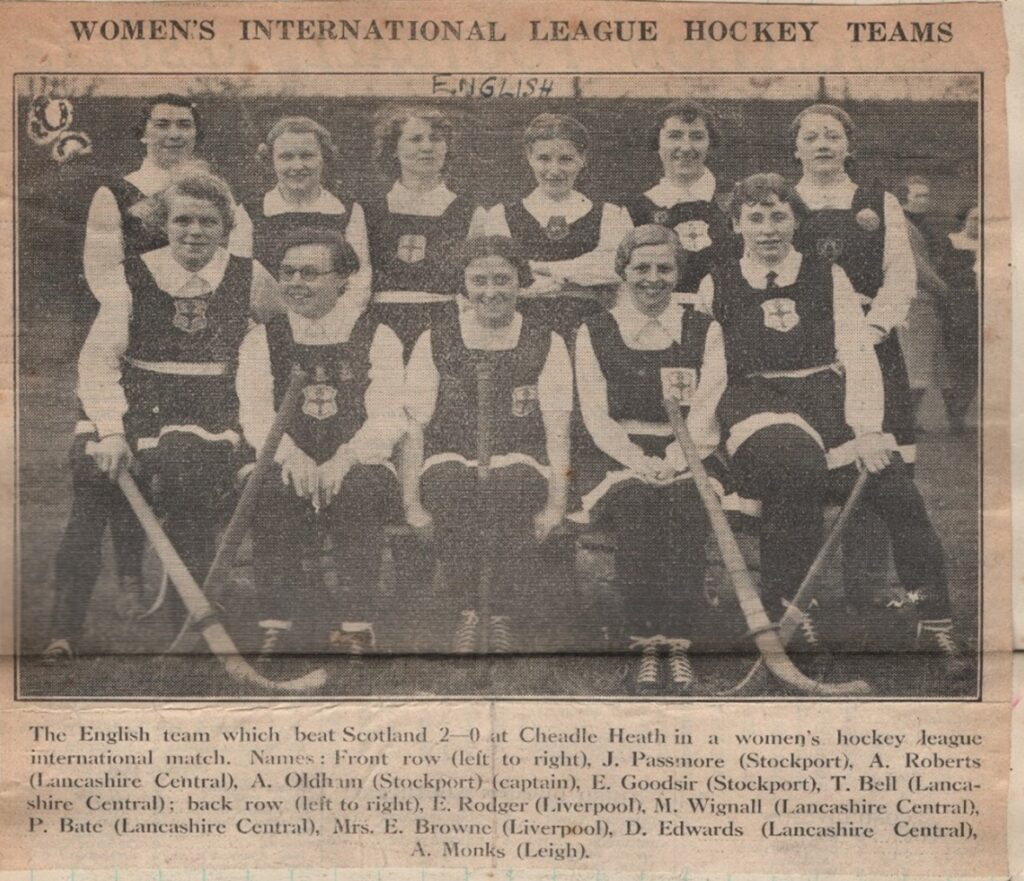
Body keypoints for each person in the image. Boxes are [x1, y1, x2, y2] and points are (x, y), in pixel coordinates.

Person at [699, 173, 966, 676]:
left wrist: (867, 428)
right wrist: (699, 446)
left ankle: (935, 622)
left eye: (779, 215)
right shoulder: (720, 279)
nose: (768, 228)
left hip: (826, 398)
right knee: (794, 467)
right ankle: (794, 618)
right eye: (754, 218)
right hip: (755, 400)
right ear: (736, 225)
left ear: (796, 220)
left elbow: (858, 354)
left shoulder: (828, 274)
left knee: (896, 487)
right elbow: (712, 371)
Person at [44, 172, 278, 662]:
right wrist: (109, 431)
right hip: (134, 403)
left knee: (188, 481)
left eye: (208, 221)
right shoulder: (130, 275)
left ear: (226, 227)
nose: (195, 231)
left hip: (211, 405)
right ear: (164, 224)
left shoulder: (250, 275)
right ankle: (63, 632)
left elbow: (270, 343)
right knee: (92, 481)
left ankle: (187, 630)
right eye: (183, 219)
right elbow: (98, 362)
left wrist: (259, 434)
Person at [236, 228, 406, 659]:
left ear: (343, 279)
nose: (296, 283)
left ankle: (355, 625)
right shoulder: (263, 337)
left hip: (356, 459)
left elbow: (387, 414)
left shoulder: (376, 335)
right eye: (288, 272)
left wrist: (343, 459)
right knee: (271, 489)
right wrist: (292, 457)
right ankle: (279, 623)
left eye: (311, 273)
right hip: (286, 455)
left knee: (360, 491)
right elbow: (255, 411)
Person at [403, 236, 572, 654]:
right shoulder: (435, 339)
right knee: (451, 486)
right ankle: (467, 609)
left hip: (521, 458)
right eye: (479, 280)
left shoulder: (546, 341)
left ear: (521, 282)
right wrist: (412, 504)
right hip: (451, 456)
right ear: (463, 285)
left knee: (512, 486)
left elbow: (557, 429)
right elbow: (414, 427)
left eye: (503, 279)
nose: (491, 291)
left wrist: (556, 502)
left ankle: (500, 612)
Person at [573, 225, 720, 693]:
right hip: (619, 454)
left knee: (683, 506)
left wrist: (676, 460)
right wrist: (640, 462)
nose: (653, 278)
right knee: (638, 504)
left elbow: (708, 405)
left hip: (690, 451)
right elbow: (596, 414)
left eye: (664, 268)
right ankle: (643, 640)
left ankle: (678, 640)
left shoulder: (703, 328)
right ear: (623, 272)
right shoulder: (596, 331)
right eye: (641, 268)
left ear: (679, 272)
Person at [478, 113, 632, 342]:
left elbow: (616, 268)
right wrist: (581, 275)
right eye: (544, 158)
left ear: (582, 159)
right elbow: (499, 273)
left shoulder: (609, 215)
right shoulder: (501, 215)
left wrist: (549, 270)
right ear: (529, 157)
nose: (554, 170)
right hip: (521, 332)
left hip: (591, 332)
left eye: (566, 159)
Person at [363, 104, 477, 356]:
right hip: (381, 326)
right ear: (394, 148)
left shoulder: (470, 212)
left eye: (436, 139)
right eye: (415, 139)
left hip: (445, 326)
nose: (427, 147)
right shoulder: (368, 210)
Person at [234, 116, 371, 309]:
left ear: (324, 157)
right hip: (270, 321)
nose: (297, 166)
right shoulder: (249, 211)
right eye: (286, 157)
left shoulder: (347, 210)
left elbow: (360, 276)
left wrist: (339, 318)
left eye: (307, 156)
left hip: (333, 323)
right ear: (271, 160)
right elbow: (240, 278)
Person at [624, 101, 734, 298]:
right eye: (674, 136)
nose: (686, 147)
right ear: (657, 143)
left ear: (710, 143)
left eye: (697, 137)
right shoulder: (637, 209)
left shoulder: (736, 200)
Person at [894, 175, 951, 431]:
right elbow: (916, 266)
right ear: (904, 198)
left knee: (923, 365)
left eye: (927, 195)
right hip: (915, 301)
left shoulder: (919, 224)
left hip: (925, 302)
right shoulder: (903, 226)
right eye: (919, 196)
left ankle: (908, 420)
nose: (925, 200)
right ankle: (904, 421)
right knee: (915, 365)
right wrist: (944, 289)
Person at [936, 204, 980, 434]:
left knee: (976, 364)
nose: (978, 223)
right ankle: (954, 413)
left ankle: (961, 411)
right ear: (964, 220)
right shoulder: (952, 242)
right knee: (958, 362)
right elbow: (946, 274)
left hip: (985, 311)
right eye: (974, 218)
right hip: (960, 310)